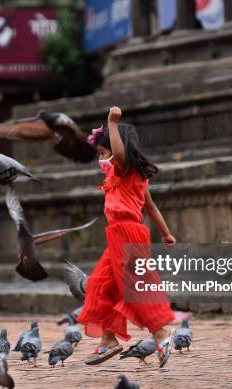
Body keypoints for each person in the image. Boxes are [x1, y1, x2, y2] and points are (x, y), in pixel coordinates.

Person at [78, 106, 177, 367]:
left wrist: (112, 123)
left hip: (127, 233)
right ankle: (108, 340)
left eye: (103, 153)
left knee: (134, 284)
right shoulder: (127, 176)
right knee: (100, 283)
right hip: (118, 234)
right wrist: (166, 233)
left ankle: (161, 332)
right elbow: (151, 207)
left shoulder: (124, 170)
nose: (102, 159)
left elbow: (119, 154)